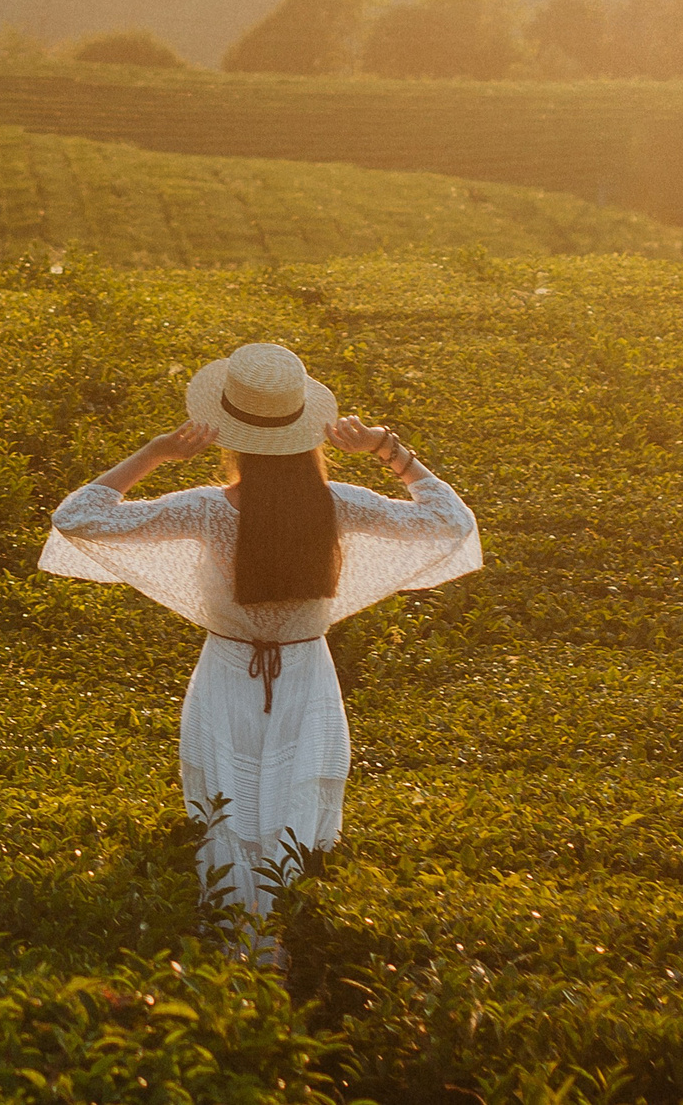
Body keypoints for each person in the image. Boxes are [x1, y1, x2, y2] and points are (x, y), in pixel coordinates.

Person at [42, 341, 482, 949]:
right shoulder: (340, 505)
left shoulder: (200, 508)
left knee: (226, 812)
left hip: (225, 673)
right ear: (310, 434)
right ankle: (293, 941)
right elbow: (450, 523)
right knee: (296, 812)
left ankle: (224, 943)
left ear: (228, 435)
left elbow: (78, 517)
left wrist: (154, 453)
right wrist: (388, 450)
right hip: (306, 675)